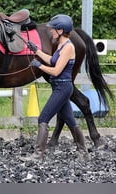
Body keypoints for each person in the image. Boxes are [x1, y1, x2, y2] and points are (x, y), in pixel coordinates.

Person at [21, 14, 89, 162]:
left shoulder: (69, 47)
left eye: (53, 29)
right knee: (70, 121)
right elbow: (52, 60)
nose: (51, 31)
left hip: (63, 88)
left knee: (43, 118)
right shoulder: (61, 45)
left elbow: (56, 70)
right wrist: (37, 51)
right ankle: (83, 153)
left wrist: (39, 66)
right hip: (60, 86)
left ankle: (38, 155)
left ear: (60, 30)